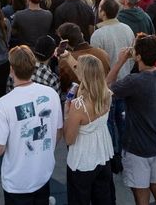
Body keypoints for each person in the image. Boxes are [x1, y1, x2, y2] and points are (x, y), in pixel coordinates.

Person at [0, 45, 63, 205]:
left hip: (17, 181)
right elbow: (58, 132)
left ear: (11, 70)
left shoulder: (3, 104)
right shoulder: (51, 94)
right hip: (43, 174)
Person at [106, 34, 156, 205]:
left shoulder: (134, 81)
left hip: (136, 148)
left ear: (138, 56)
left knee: (141, 194)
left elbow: (106, 89)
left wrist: (120, 61)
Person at [63, 55, 115, 205]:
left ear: (83, 75)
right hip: (103, 154)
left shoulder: (78, 105)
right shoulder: (106, 93)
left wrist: (67, 114)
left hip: (83, 159)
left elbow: (69, 139)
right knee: (103, 198)